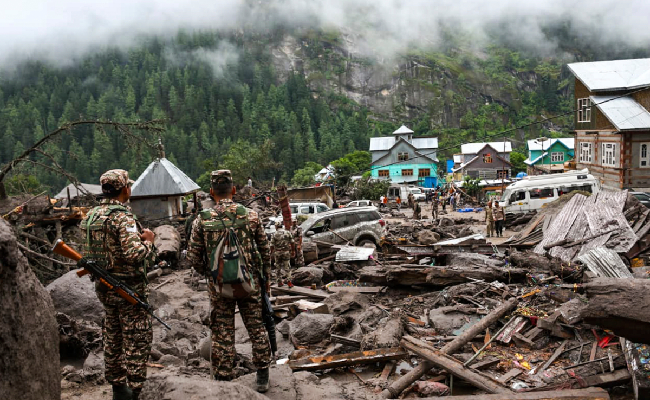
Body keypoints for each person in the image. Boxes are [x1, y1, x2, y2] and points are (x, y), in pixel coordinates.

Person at [187, 170, 272, 392]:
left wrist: (211, 273)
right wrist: (265, 278)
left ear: (211, 191)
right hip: (249, 283)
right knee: (256, 327)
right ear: (234, 190)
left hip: (219, 286)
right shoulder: (251, 216)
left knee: (222, 332)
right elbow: (265, 250)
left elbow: (193, 257)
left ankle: (224, 379)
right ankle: (262, 375)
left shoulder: (202, 220)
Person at [80, 169, 156, 400]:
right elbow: (134, 254)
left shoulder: (91, 216)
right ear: (124, 189)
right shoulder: (122, 217)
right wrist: (149, 242)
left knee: (113, 336)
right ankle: (135, 390)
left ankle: (118, 388)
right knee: (137, 339)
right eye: (128, 186)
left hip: (104, 287)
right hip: (128, 290)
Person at [272, 221, 295, 287]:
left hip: (278, 252)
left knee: (278, 267)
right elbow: (292, 242)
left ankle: (279, 282)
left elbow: (271, 245)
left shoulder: (274, 234)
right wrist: (293, 251)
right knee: (287, 267)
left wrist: (271, 253)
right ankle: (289, 282)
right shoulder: (287, 232)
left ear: (276, 226)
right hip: (286, 252)